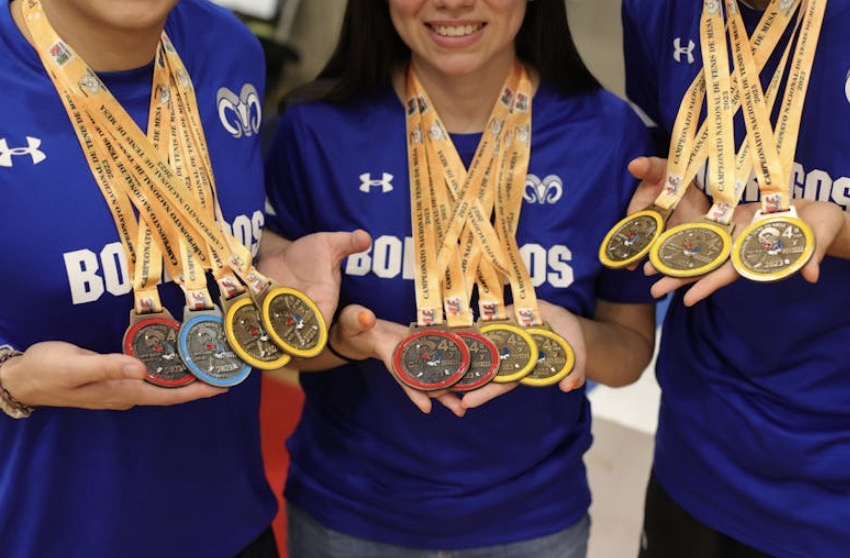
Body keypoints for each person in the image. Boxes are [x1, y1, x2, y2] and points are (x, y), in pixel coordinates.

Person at [264, 0, 657, 556]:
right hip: (348, 514)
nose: (452, 2)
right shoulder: (314, 130)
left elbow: (631, 352)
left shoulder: (609, 136)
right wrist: (345, 340)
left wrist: (574, 336)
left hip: (533, 522)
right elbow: (281, 348)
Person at [0, 0, 368, 556]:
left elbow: (190, 229)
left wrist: (266, 259)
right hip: (39, 531)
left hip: (230, 526)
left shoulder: (229, 47)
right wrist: (10, 380)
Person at [621, 0, 850, 556]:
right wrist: (672, 190)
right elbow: (674, 140)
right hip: (704, 443)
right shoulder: (658, 10)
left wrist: (838, 231)